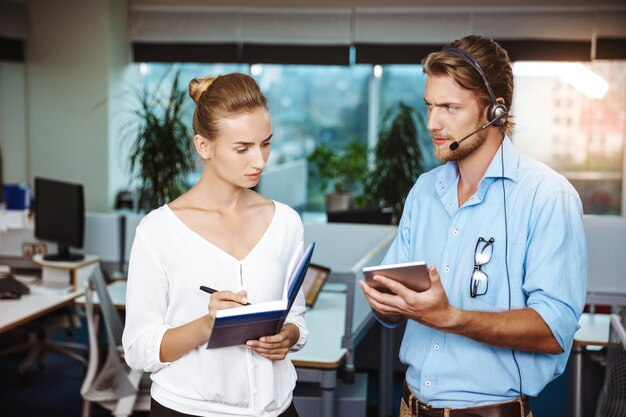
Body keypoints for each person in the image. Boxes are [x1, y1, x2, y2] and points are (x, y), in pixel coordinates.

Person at [359, 35, 587, 417]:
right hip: (409, 406)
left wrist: (451, 318)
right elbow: (393, 304)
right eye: (430, 105)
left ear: (495, 111)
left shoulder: (547, 196)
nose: (433, 123)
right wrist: (389, 304)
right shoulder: (424, 191)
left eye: (450, 107)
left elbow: (552, 331)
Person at [122, 73, 307, 417]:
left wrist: (289, 335)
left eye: (265, 143)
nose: (260, 160)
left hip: (277, 409)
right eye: (243, 148)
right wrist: (207, 325)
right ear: (203, 146)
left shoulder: (286, 222)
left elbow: (295, 316)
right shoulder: (158, 231)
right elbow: (137, 349)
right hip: (188, 410)